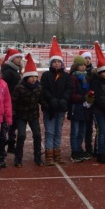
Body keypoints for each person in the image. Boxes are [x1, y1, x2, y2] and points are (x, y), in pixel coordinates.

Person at [40, 37, 72, 166]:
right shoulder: (46, 76)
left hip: (61, 108)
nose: (57, 64)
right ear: (51, 63)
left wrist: (64, 100)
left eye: (59, 62)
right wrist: (51, 99)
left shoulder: (66, 76)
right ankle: (49, 155)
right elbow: (44, 89)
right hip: (50, 108)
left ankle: (57, 154)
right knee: (50, 132)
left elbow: (69, 89)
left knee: (58, 131)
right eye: (54, 62)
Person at [11, 54, 45, 166]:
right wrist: (13, 114)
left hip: (33, 114)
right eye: (31, 77)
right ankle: (18, 157)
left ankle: (37, 156)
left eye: (35, 77)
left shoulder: (39, 87)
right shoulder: (19, 88)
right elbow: (14, 101)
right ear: (26, 77)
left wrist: (48, 107)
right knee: (21, 135)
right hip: (21, 115)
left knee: (37, 135)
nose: (34, 79)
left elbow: (41, 100)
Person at [0, 48, 24, 167]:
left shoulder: (15, 70)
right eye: (17, 58)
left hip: (14, 102)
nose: (20, 60)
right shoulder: (8, 71)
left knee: (12, 125)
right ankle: (2, 151)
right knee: (6, 127)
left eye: (20, 58)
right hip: (8, 103)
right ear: (12, 59)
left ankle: (10, 146)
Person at [89, 42, 105, 163]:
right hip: (99, 110)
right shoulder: (95, 82)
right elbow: (97, 97)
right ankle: (101, 152)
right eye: (103, 71)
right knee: (101, 130)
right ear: (99, 72)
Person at [68, 55, 90, 163]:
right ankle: (74, 151)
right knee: (75, 131)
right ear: (76, 66)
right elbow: (72, 95)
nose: (83, 67)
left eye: (84, 65)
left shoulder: (85, 77)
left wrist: (89, 98)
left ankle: (80, 148)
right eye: (81, 65)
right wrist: (83, 98)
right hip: (75, 107)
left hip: (84, 108)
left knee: (82, 131)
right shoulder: (73, 78)